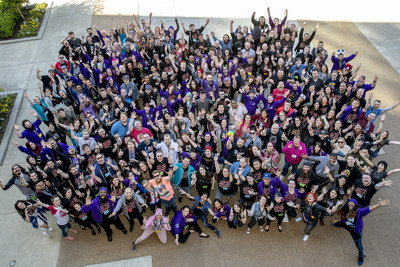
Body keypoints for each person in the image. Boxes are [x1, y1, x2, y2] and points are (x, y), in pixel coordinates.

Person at [333, 198, 390, 265]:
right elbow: (343, 218)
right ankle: (339, 224)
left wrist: (379, 204)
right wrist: (337, 221)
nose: (351, 204)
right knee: (343, 224)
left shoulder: (359, 211)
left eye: (352, 203)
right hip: (347, 225)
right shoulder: (345, 210)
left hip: (355, 231)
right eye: (349, 203)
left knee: (359, 245)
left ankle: (361, 256)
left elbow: (368, 209)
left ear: (355, 205)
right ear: (347, 204)